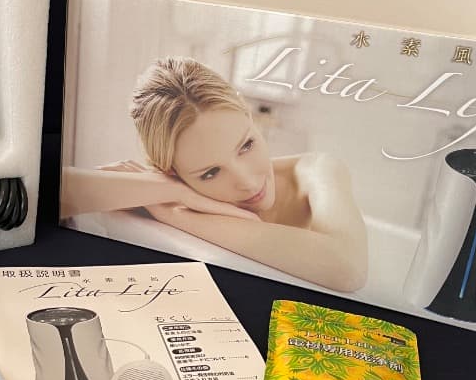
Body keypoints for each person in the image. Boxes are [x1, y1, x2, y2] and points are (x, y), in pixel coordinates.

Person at [61, 57, 368, 293]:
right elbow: (49, 191)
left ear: (249, 116)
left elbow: (348, 269)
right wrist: (172, 191)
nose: (248, 182)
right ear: (171, 173)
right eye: (210, 173)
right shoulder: (168, 193)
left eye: (246, 145)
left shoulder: (315, 170)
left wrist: (176, 214)